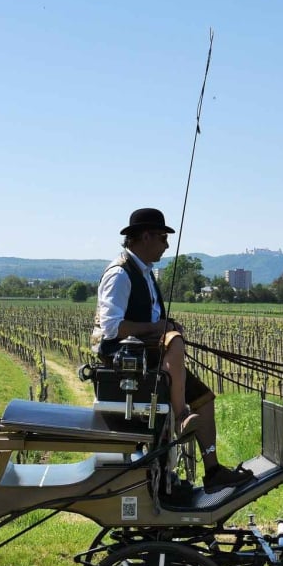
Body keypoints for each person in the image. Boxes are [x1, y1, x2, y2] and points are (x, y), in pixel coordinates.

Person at [92, 207, 251, 489]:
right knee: (174, 340)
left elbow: (152, 319)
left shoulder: (145, 272)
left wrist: (164, 325)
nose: (167, 245)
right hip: (127, 360)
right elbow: (112, 328)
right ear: (144, 237)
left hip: (153, 355)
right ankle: (180, 415)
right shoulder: (120, 274)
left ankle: (213, 470)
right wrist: (159, 329)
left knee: (205, 398)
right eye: (163, 237)